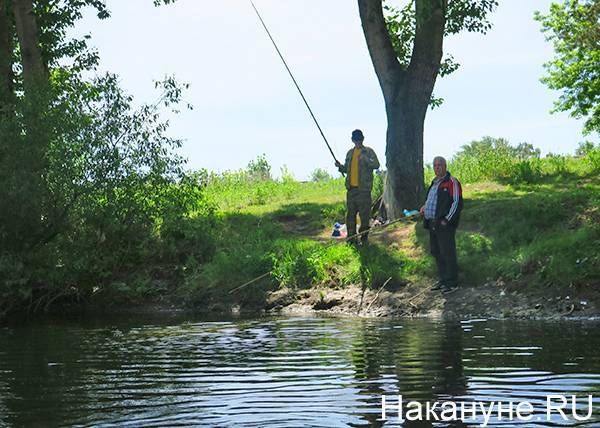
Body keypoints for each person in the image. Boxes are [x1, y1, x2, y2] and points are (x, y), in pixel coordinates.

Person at [419, 156, 463, 292]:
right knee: (436, 252)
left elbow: (457, 203)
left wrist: (447, 220)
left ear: (445, 166)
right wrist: (424, 207)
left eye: (440, 165)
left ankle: (452, 282)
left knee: (447, 252)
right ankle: (443, 280)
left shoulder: (452, 182)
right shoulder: (434, 183)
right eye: (435, 165)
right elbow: (430, 200)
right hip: (432, 223)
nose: (437, 167)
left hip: (444, 224)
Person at [335, 129, 380, 245]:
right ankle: (351, 239)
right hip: (351, 190)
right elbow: (346, 169)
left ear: (362, 139)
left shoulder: (368, 152)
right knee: (350, 216)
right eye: (356, 139)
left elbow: (376, 165)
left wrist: (366, 160)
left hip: (364, 190)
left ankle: (364, 239)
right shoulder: (350, 153)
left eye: (359, 139)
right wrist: (340, 167)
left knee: (365, 217)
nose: (357, 141)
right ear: (352, 140)